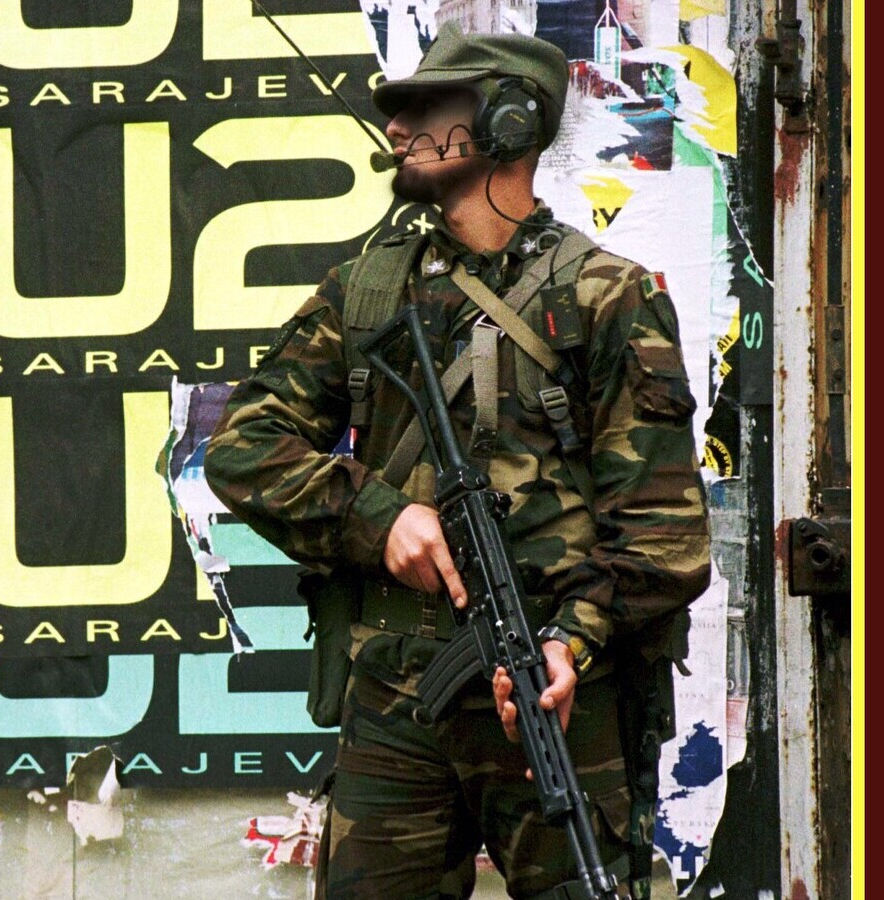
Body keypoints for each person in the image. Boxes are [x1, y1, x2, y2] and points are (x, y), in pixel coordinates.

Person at [204, 23, 710, 900]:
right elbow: (243, 446)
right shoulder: (369, 291)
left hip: (551, 699)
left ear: (508, 124)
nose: (396, 131)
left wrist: (569, 644)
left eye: (423, 111)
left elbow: (664, 538)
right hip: (398, 697)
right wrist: (378, 516)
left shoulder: (605, 298)